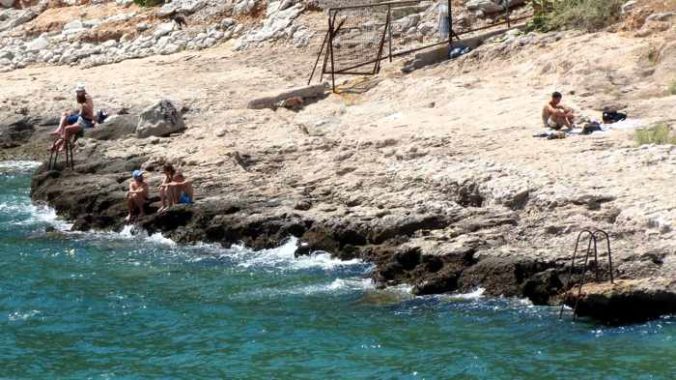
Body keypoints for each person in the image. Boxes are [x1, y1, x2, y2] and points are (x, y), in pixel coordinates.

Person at [50, 83, 95, 151]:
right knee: (67, 128)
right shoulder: (83, 100)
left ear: (82, 91)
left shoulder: (85, 101)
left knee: (67, 129)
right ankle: (56, 145)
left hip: (86, 122)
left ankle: (63, 146)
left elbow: (87, 114)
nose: (77, 93)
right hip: (82, 120)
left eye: (78, 92)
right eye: (77, 92)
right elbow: (80, 112)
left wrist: (94, 121)